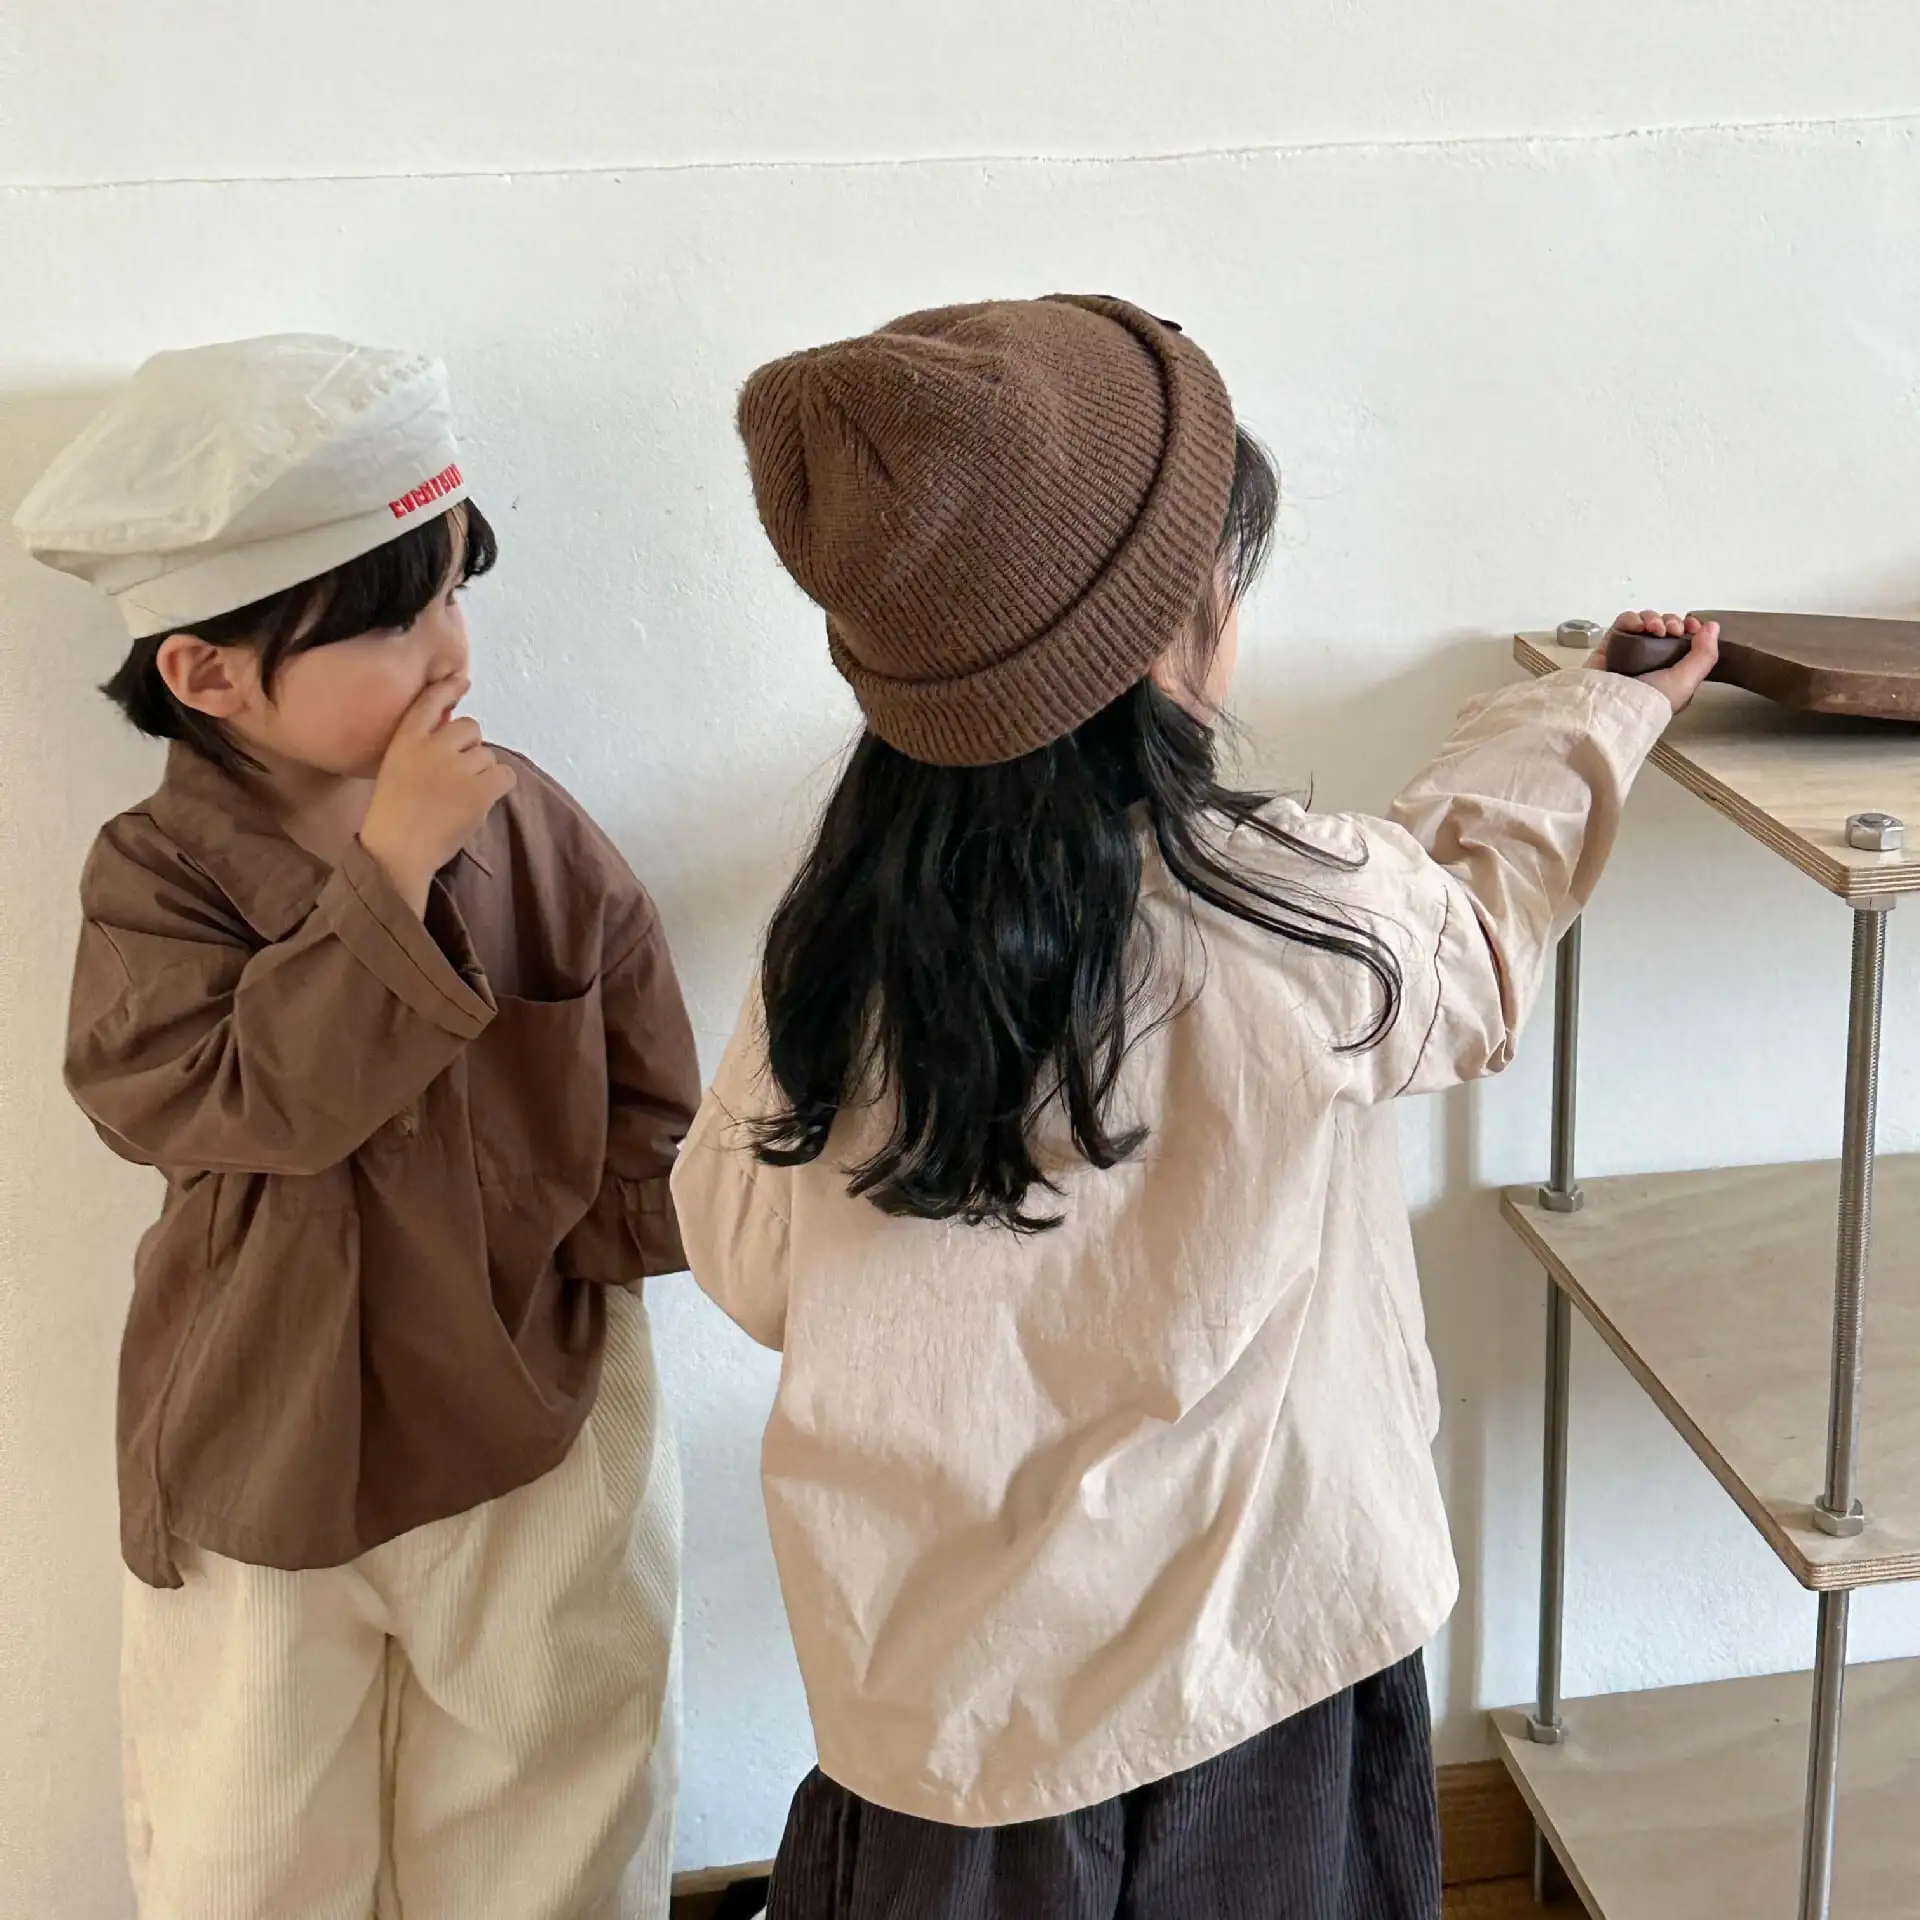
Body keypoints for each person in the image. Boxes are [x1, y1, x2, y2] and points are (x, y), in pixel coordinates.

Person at [669, 294, 1718, 1918]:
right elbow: (1469, 934)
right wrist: (1595, 708)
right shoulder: (1301, 912)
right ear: (1182, 628)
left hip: (950, 1735)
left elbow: (744, 1262)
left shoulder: (830, 960)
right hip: (1265, 1686)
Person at [14, 334, 700, 1920]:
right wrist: (387, 875)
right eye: (395, 620)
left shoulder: (523, 817)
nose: (450, 649)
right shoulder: (155, 879)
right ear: (206, 674)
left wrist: (607, 1265)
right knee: (249, 1844)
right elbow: (214, 1100)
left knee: (560, 1810)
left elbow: (638, 1051)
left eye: (456, 589)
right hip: (270, 1432)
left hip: (529, 1407)